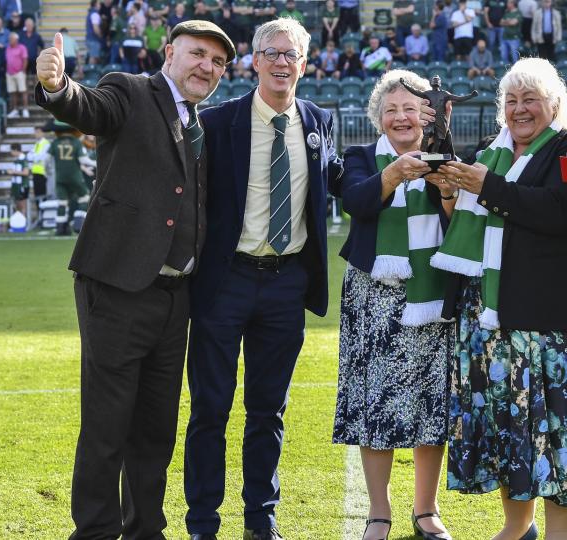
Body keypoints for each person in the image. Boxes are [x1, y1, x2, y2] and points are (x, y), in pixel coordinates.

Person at [34, 20, 234, 539]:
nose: (206, 67)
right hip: (119, 288)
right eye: (198, 54)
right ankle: (96, 532)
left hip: (175, 297)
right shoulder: (130, 90)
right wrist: (58, 87)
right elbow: (87, 107)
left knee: (155, 429)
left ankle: (146, 530)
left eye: (216, 62)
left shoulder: (200, 122)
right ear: (169, 53)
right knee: (107, 424)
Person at [431, 56, 567, 540]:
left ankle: (562, 531)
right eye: (511, 100)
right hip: (491, 321)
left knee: (560, 430)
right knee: (508, 428)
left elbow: (559, 211)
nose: (519, 109)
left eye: (530, 99)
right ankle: (518, 527)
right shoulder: (490, 151)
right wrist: (451, 194)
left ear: (555, 104)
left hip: (553, 320)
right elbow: (461, 228)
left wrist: (484, 186)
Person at [184, 18, 344, 540]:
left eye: (290, 54)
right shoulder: (220, 121)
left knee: (268, 412)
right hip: (225, 280)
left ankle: (261, 520)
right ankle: (203, 522)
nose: (280, 62)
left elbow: (344, 180)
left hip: (284, 285)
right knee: (210, 408)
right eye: (270, 52)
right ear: (253, 61)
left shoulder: (318, 120)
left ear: (305, 62)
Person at [332, 69, 457, 540]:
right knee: (374, 404)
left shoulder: (445, 157)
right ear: (378, 119)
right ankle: (379, 513)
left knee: (432, 403)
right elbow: (358, 204)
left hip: (433, 293)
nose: (401, 116)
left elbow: (456, 221)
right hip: (373, 299)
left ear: (426, 115)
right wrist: (394, 173)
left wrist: (444, 184)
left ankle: (426, 511)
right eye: (391, 109)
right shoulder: (361, 158)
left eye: (411, 108)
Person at [49, 123, 88, 235]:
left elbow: (46, 159)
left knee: (62, 202)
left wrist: (48, 171)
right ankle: (78, 224)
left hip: (60, 177)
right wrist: (96, 164)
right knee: (84, 197)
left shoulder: (55, 142)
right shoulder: (76, 142)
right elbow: (83, 160)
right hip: (75, 177)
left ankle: (60, 229)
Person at [6, 32, 29, 118]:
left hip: (19, 72)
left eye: (11, 39)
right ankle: (15, 110)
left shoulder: (22, 47)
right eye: (9, 39)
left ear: (16, 40)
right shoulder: (8, 48)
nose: (10, 40)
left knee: (23, 91)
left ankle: (25, 110)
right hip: (9, 73)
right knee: (13, 92)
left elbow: (25, 59)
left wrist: (23, 71)